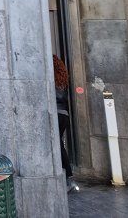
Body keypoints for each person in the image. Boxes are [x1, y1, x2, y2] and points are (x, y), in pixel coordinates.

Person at [54, 54, 79, 192]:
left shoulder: (51, 79)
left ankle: (69, 179)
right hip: (64, 115)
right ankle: (69, 178)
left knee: (57, 145)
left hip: (56, 115)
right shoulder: (62, 81)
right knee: (59, 145)